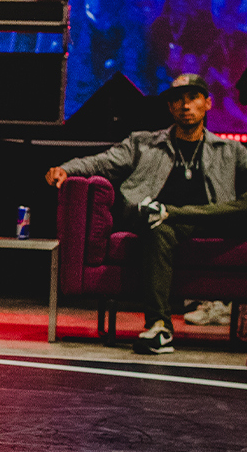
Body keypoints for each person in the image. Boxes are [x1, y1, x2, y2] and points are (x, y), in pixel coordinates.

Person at [45, 72, 247, 354]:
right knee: (158, 226)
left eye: (193, 98)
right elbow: (103, 162)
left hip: (206, 220)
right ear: (169, 107)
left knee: (175, 218)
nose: (185, 105)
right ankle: (160, 328)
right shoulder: (143, 143)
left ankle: (169, 213)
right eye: (177, 100)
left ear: (208, 104)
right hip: (155, 221)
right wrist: (68, 168)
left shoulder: (230, 150)